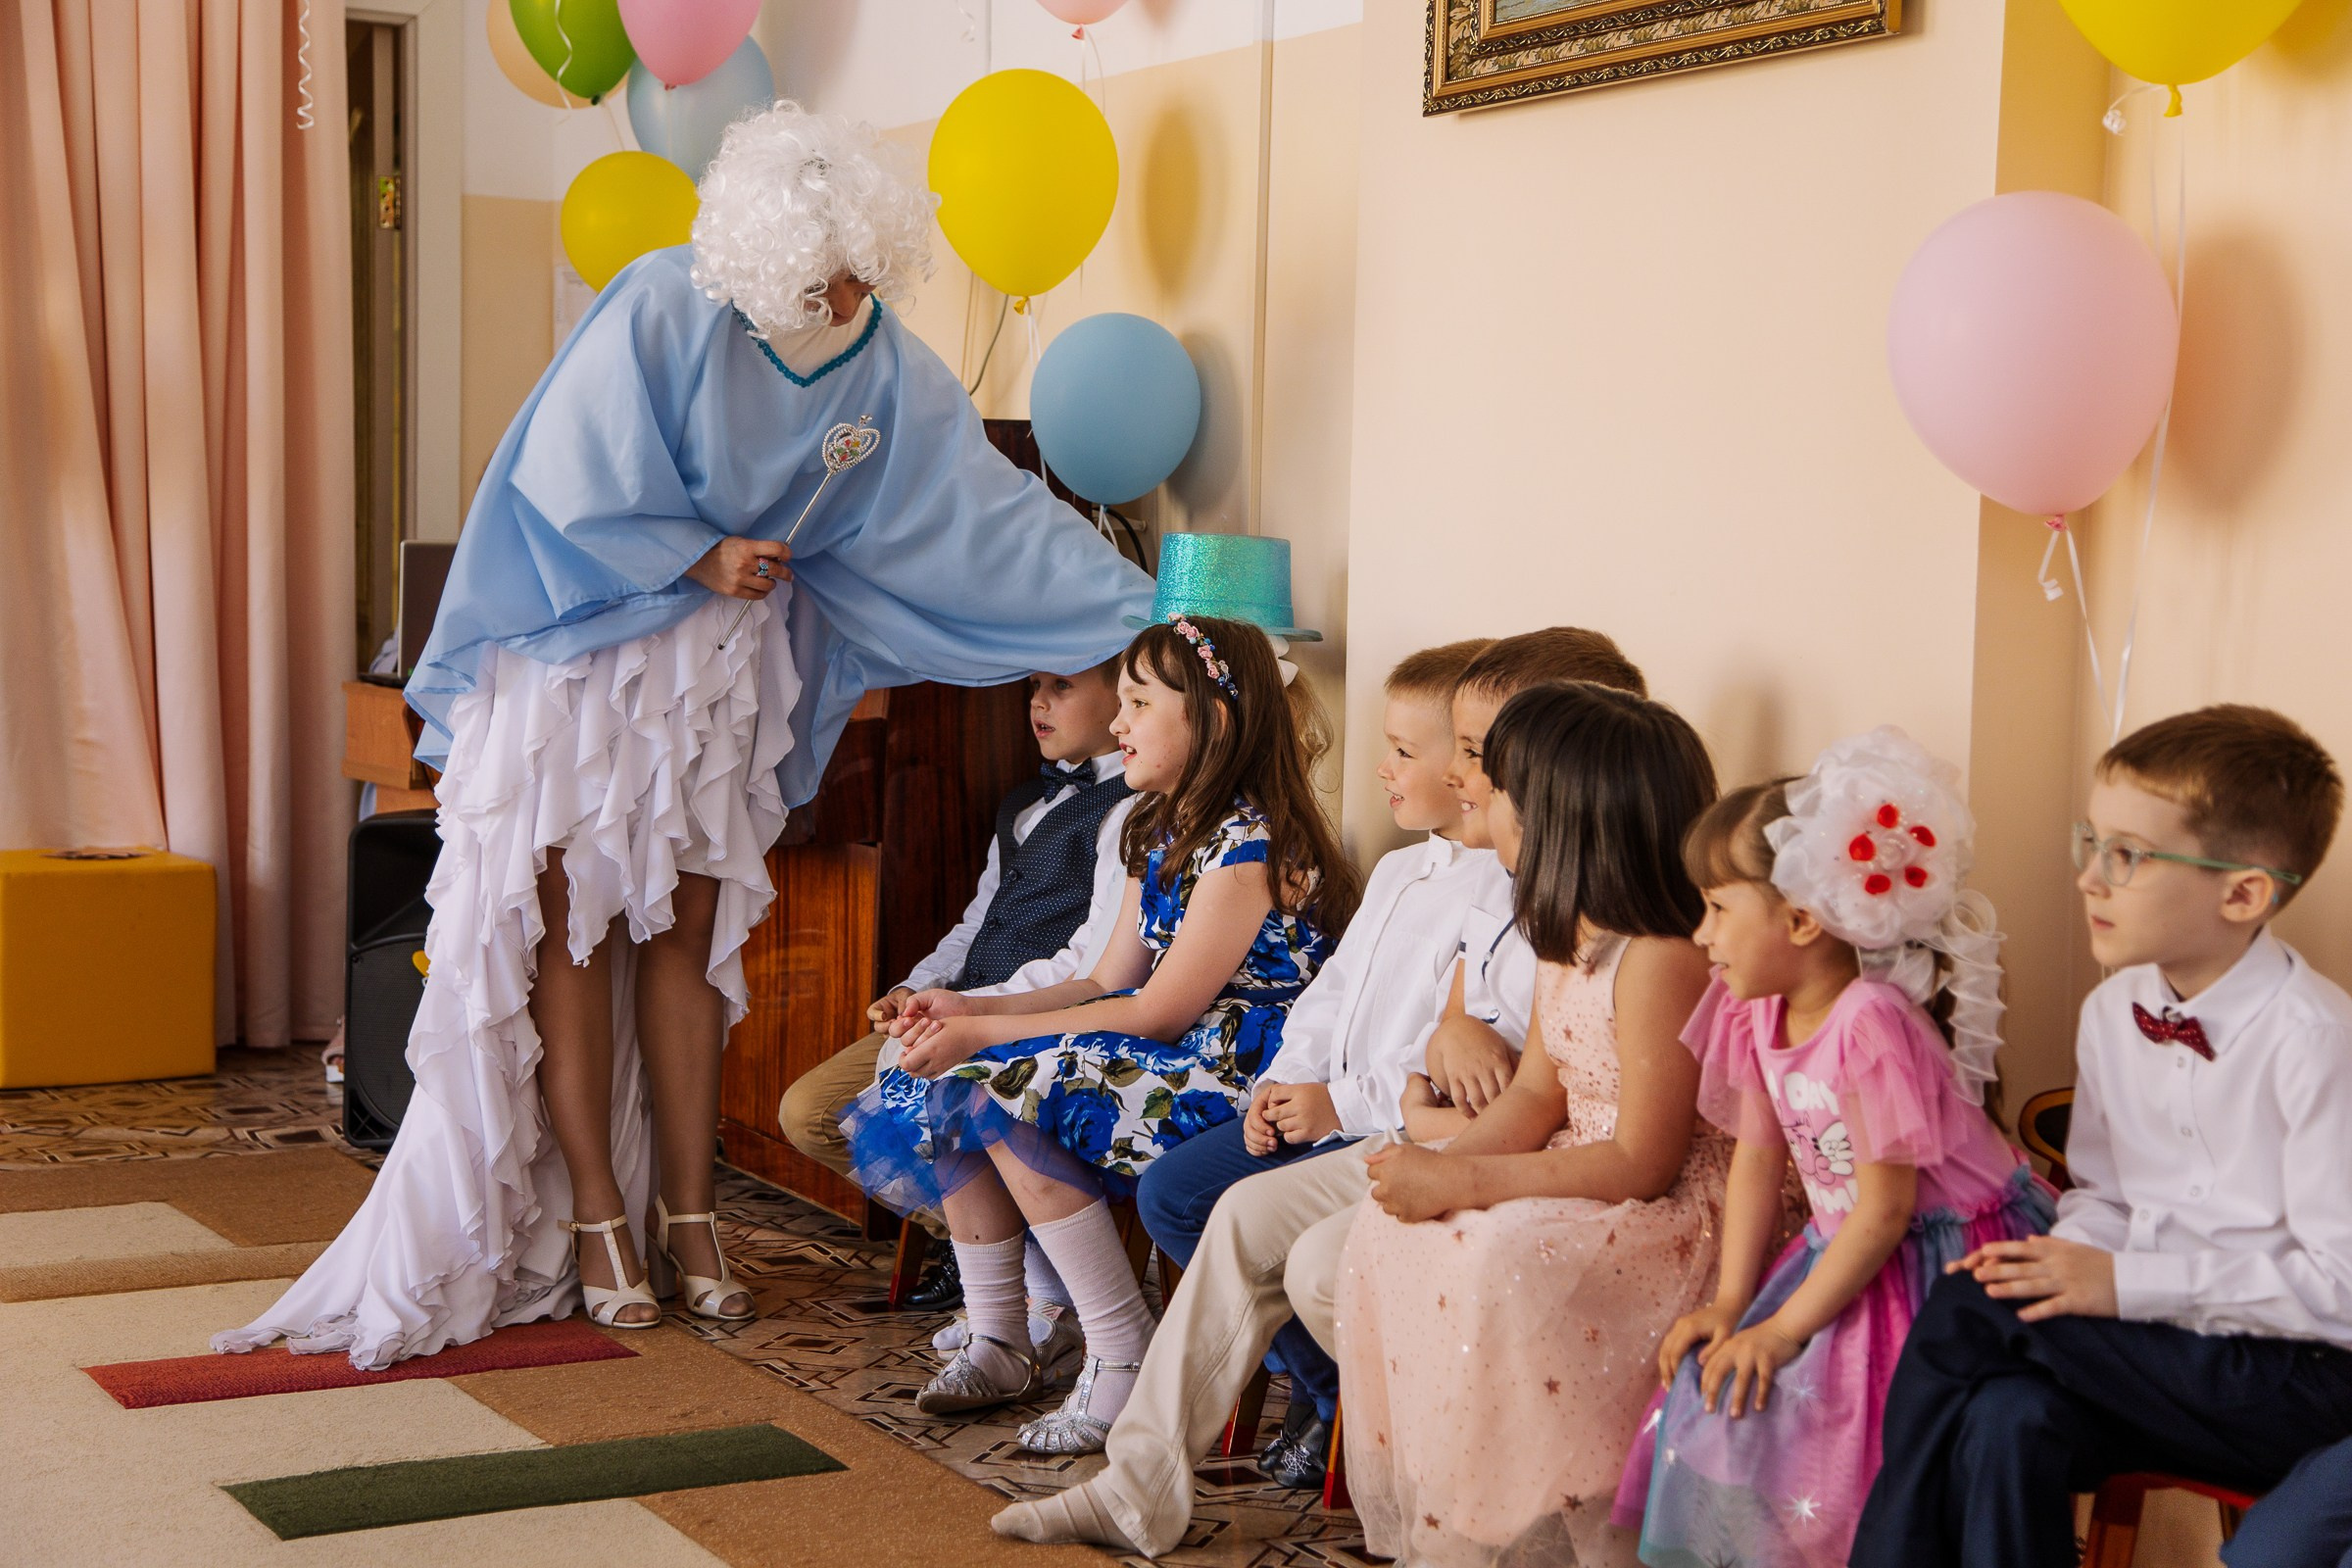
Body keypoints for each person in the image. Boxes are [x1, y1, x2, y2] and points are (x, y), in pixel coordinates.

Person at [213, 105, 1151, 1370]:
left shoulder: (877, 353)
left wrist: (1156, 609)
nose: (854, 294)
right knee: (577, 933)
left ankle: (689, 1216)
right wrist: (699, 554)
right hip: (591, 656)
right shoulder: (664, 301)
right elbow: (566, 470)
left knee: (691, 936)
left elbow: (977, 506)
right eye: (830, 271)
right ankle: (600, 1218)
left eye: (867, 269)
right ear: (773, 254)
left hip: (715, 675)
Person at [992, 625, 1645, 1554]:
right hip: (1394, 1118)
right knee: (1223, 1210)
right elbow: (1360, 1004)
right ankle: (1137, 1485)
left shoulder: (1547, 903)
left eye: (1475, 756)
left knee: (1287, 1247)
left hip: (1440, 1139)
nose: (1459, 776)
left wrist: (1402, 1113)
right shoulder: (1450, 878)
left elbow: (1517, 1092)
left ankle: (1390, 1443)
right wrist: (1307, 1080)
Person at [841, 615, 1359, 1454]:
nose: (1118, 724)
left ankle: (1120, 1351)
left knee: (1005, 1085)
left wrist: (984, 1035)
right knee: (947, 1076)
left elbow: (1158, 1012)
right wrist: (966, 1012)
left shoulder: (1249, 848)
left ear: (1212, 719)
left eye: (1139, 702)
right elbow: (1103, 981)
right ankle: (1000, 1334)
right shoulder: (1158, 830)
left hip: (1239, 1073)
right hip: (1169, 1053)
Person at [1852, 706, 2352, 1568]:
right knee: (2004, 1414)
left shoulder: (2317, 1042)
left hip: (2297, 1381)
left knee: (1970, 1308)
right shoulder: (2113, 1011)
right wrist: (2064, 1264)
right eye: (2091, 842)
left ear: (2242, 894)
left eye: (2128, 855)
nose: (2089, 878)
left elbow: (2340, 1292)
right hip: (2160, 1369)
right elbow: (2105, 1196)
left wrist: (2125, 1286)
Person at [1619, 729, 2055, 1568]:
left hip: (1942, 1259)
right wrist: (1734, 1303)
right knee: (1724, 1389)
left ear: (1801, 919)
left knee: (1846, 1436)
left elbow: (1886, 1210)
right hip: (1844, 1243)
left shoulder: (1870, 1024)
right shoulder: (1755, 1008)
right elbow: (1758, 1157)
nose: (1701, 934)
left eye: (1718, 908)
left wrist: (1783, 1331)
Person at [1336, 682, 1726, 1568]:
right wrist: (1431, 1169)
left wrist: (1466, 1179)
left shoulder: (1658, 959)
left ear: (1562, 818)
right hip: (1584, 1166)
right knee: (1393, 1229)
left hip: (1671, 1207)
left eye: (1501, 783)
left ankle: (1556, 1519)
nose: (1478, 790)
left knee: (1502, 1254)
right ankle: (1468, 1521)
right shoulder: (1567, 939)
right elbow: (1537, 1099)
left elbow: (1644, 1159)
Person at [1126, 636, 1505, 1491]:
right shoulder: (1400, 870)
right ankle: (1326, 1384)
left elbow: (1444, 1053)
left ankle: (1337, 1400)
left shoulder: (1498, 889)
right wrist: (1282, 1082)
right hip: (1315, 1103)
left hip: (1376, 1123)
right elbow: (1329, 993)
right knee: (1174, 1193)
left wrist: (1340, 1103)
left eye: (1404, 751)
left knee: (1251, 1217)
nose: (1381, 768)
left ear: (1471, 768)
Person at [779, 662, 1135, 1326]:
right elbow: (979, 922)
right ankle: (994, 1245)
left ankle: (1019, 1279)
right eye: (1033, 688)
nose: (1038, 703)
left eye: (1061, 686)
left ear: (1121, 698)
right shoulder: (1022, 802)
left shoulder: (1134, 807)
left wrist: (976, 1011)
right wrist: (915, 986)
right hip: (957, 1002)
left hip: (1028, 1016)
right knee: (809, 1111)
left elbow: (1092, 964)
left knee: (932, 1103)